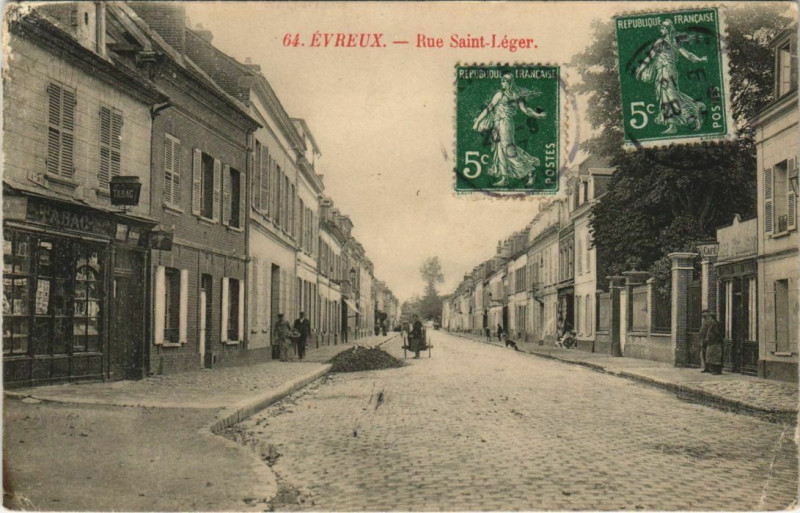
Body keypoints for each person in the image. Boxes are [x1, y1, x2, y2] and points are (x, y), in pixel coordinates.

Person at [472, 73, 547, 186]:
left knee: (508, 150)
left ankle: (530, 171)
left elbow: (526, 110)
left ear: (510, 82)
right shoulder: (500, 94)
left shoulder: (514, 95)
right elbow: (489, 109)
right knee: (500, 149)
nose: (502, 83)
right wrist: (478, 121)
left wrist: (537, 115)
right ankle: (504, 178)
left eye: (504, 81)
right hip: (498, 124)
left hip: (506, 123)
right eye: (501, 81)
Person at [634, 19, 708, 135]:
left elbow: (650, 57)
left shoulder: (661, 42)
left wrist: (640, 71)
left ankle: (693, 107)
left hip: (665, 72)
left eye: (662, 28)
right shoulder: (674, 43)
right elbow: (688, 55)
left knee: (670, 95)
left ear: (667, 29)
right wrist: (699, 59)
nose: (661, 30)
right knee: (667, 96)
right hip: (669, 72)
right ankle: (673, 124)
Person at [701, 309, 723, 375]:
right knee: (711, 356)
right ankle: (711, 369)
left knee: (715, 356)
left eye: (711, 316)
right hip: (711, 341)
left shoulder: (714, 323)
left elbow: (717, 332)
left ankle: (716, 370)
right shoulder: (712, 323)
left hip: (714, 342)